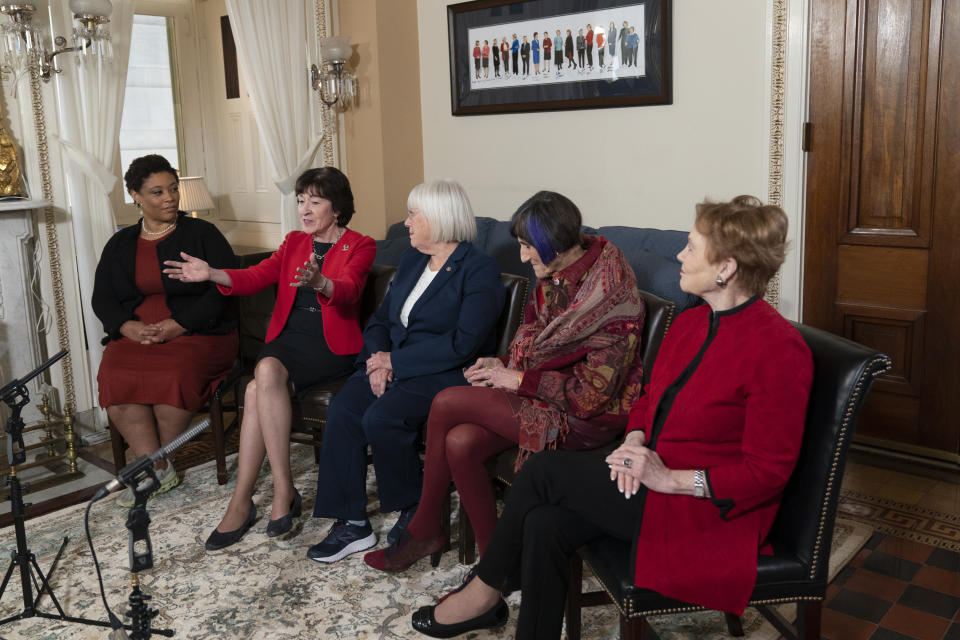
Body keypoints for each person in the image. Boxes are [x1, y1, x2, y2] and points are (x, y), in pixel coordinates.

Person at [409, 195, 814, 639]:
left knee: (543, 472)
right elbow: (647, 398)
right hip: (648, 478)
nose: (680, 254)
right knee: (544, 523)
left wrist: (671, 479)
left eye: (692, 247)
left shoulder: (778, 349)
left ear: (728, 268)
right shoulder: (691, 323)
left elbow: (768, 472)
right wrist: (636, 438)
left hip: (703, 511)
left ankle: (486, 591)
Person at [364, 191, 646, 573]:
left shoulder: (612, 293)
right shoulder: (554, 272)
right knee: (459, 442)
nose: (523, 257)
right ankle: (497, 563)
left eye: (529, 247)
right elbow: (534, 344)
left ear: (557, 246)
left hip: (586, 420)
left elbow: (590, 398)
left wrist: (516, 378)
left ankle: (425, 528)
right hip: (543, 397)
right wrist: (498, 363)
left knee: (447, 401)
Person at [164, 167, 376, 550]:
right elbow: (256, 277)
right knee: (260, 380)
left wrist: (320, 282)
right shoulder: (294, 241)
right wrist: (211, 273)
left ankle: (262, 496)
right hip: (289, 339)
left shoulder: (360, 245)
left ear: (338, 207)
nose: (305, 209)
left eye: (315, 200)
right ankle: (265, 494)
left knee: (256, 382)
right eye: (300, 200)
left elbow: (350, 290)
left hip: (330, 347)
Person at [306, 180, 505, 564]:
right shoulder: (414, 260)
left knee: (382, 417)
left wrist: (395, 363)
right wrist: (378, 357)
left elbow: (463, 343)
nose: (406, 222)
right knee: (345, 409)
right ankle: (351, 523)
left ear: (439, 218)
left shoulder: (478, 270)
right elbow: (382, 319)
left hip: (445, 373)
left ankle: (417, 513)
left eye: (413, 214)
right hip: (393, 363)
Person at [93, 154, 238, 508]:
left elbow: (226, 288)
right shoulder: (120, 244)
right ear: (135, 196)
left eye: (172, 189)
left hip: (200, 332)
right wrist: (127, 326)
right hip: (138, 333)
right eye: (157, 192)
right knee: (115, 375)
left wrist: (179, 325)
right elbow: (102, 297)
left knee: (173, 373)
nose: (169, 198)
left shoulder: (203, 234)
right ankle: (153, 466)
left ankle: (156, 464)